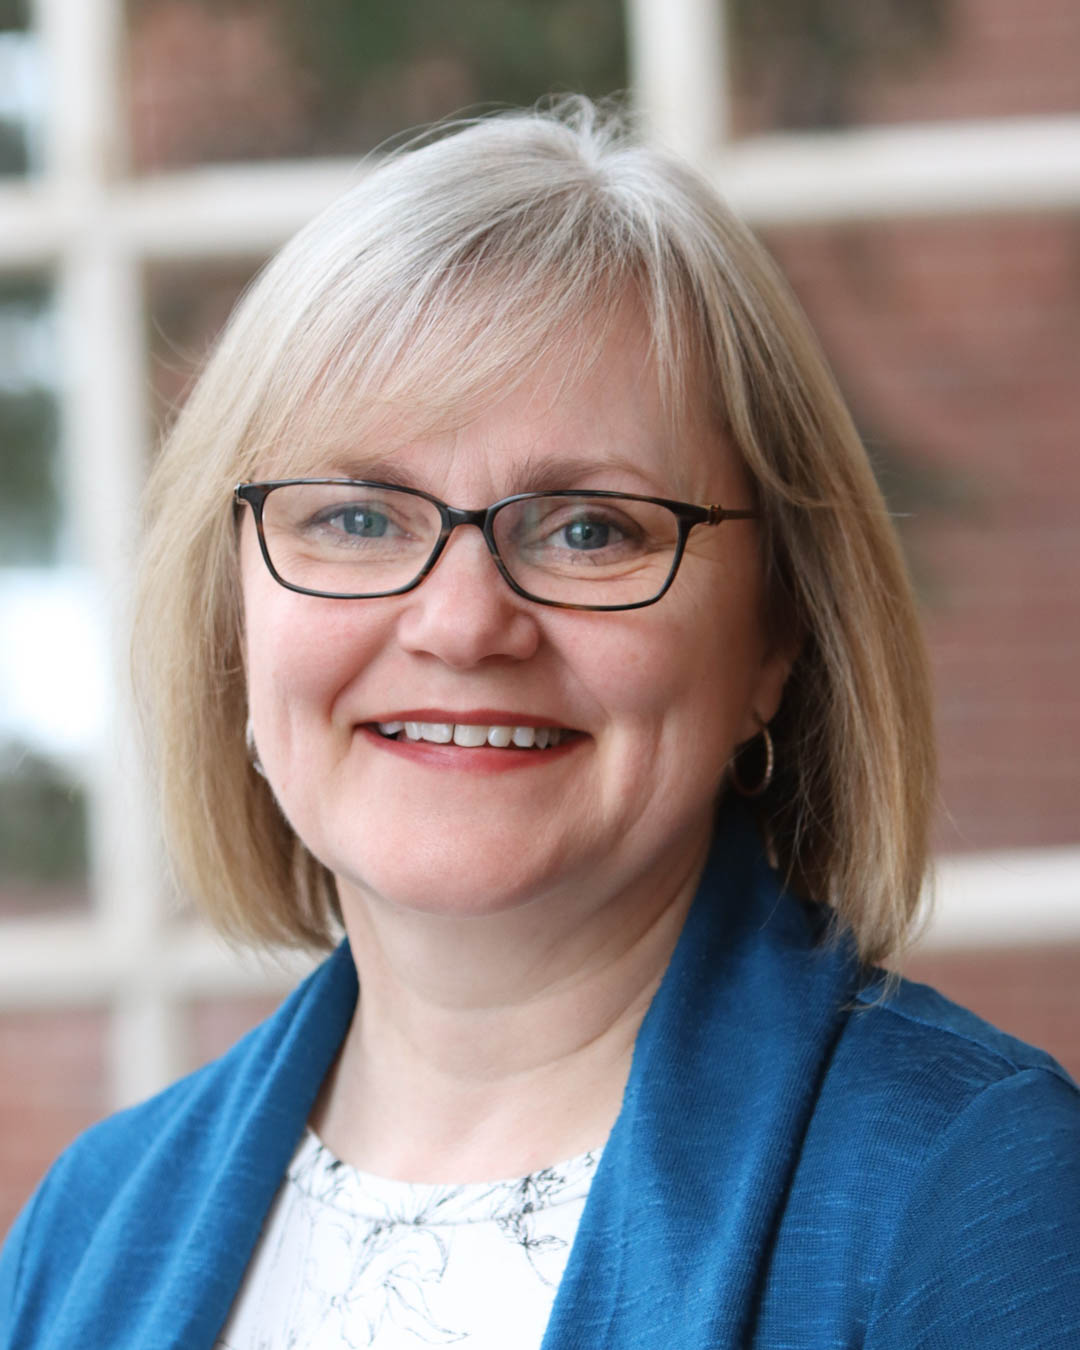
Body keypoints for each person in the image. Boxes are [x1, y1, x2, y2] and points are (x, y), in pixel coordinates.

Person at [2, 97, 1078, 1349]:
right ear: (234, 621)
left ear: (776, 641)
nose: (462, 625)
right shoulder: (85, 1229)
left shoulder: (974, 1200)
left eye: (589, 530)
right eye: (357, 518)